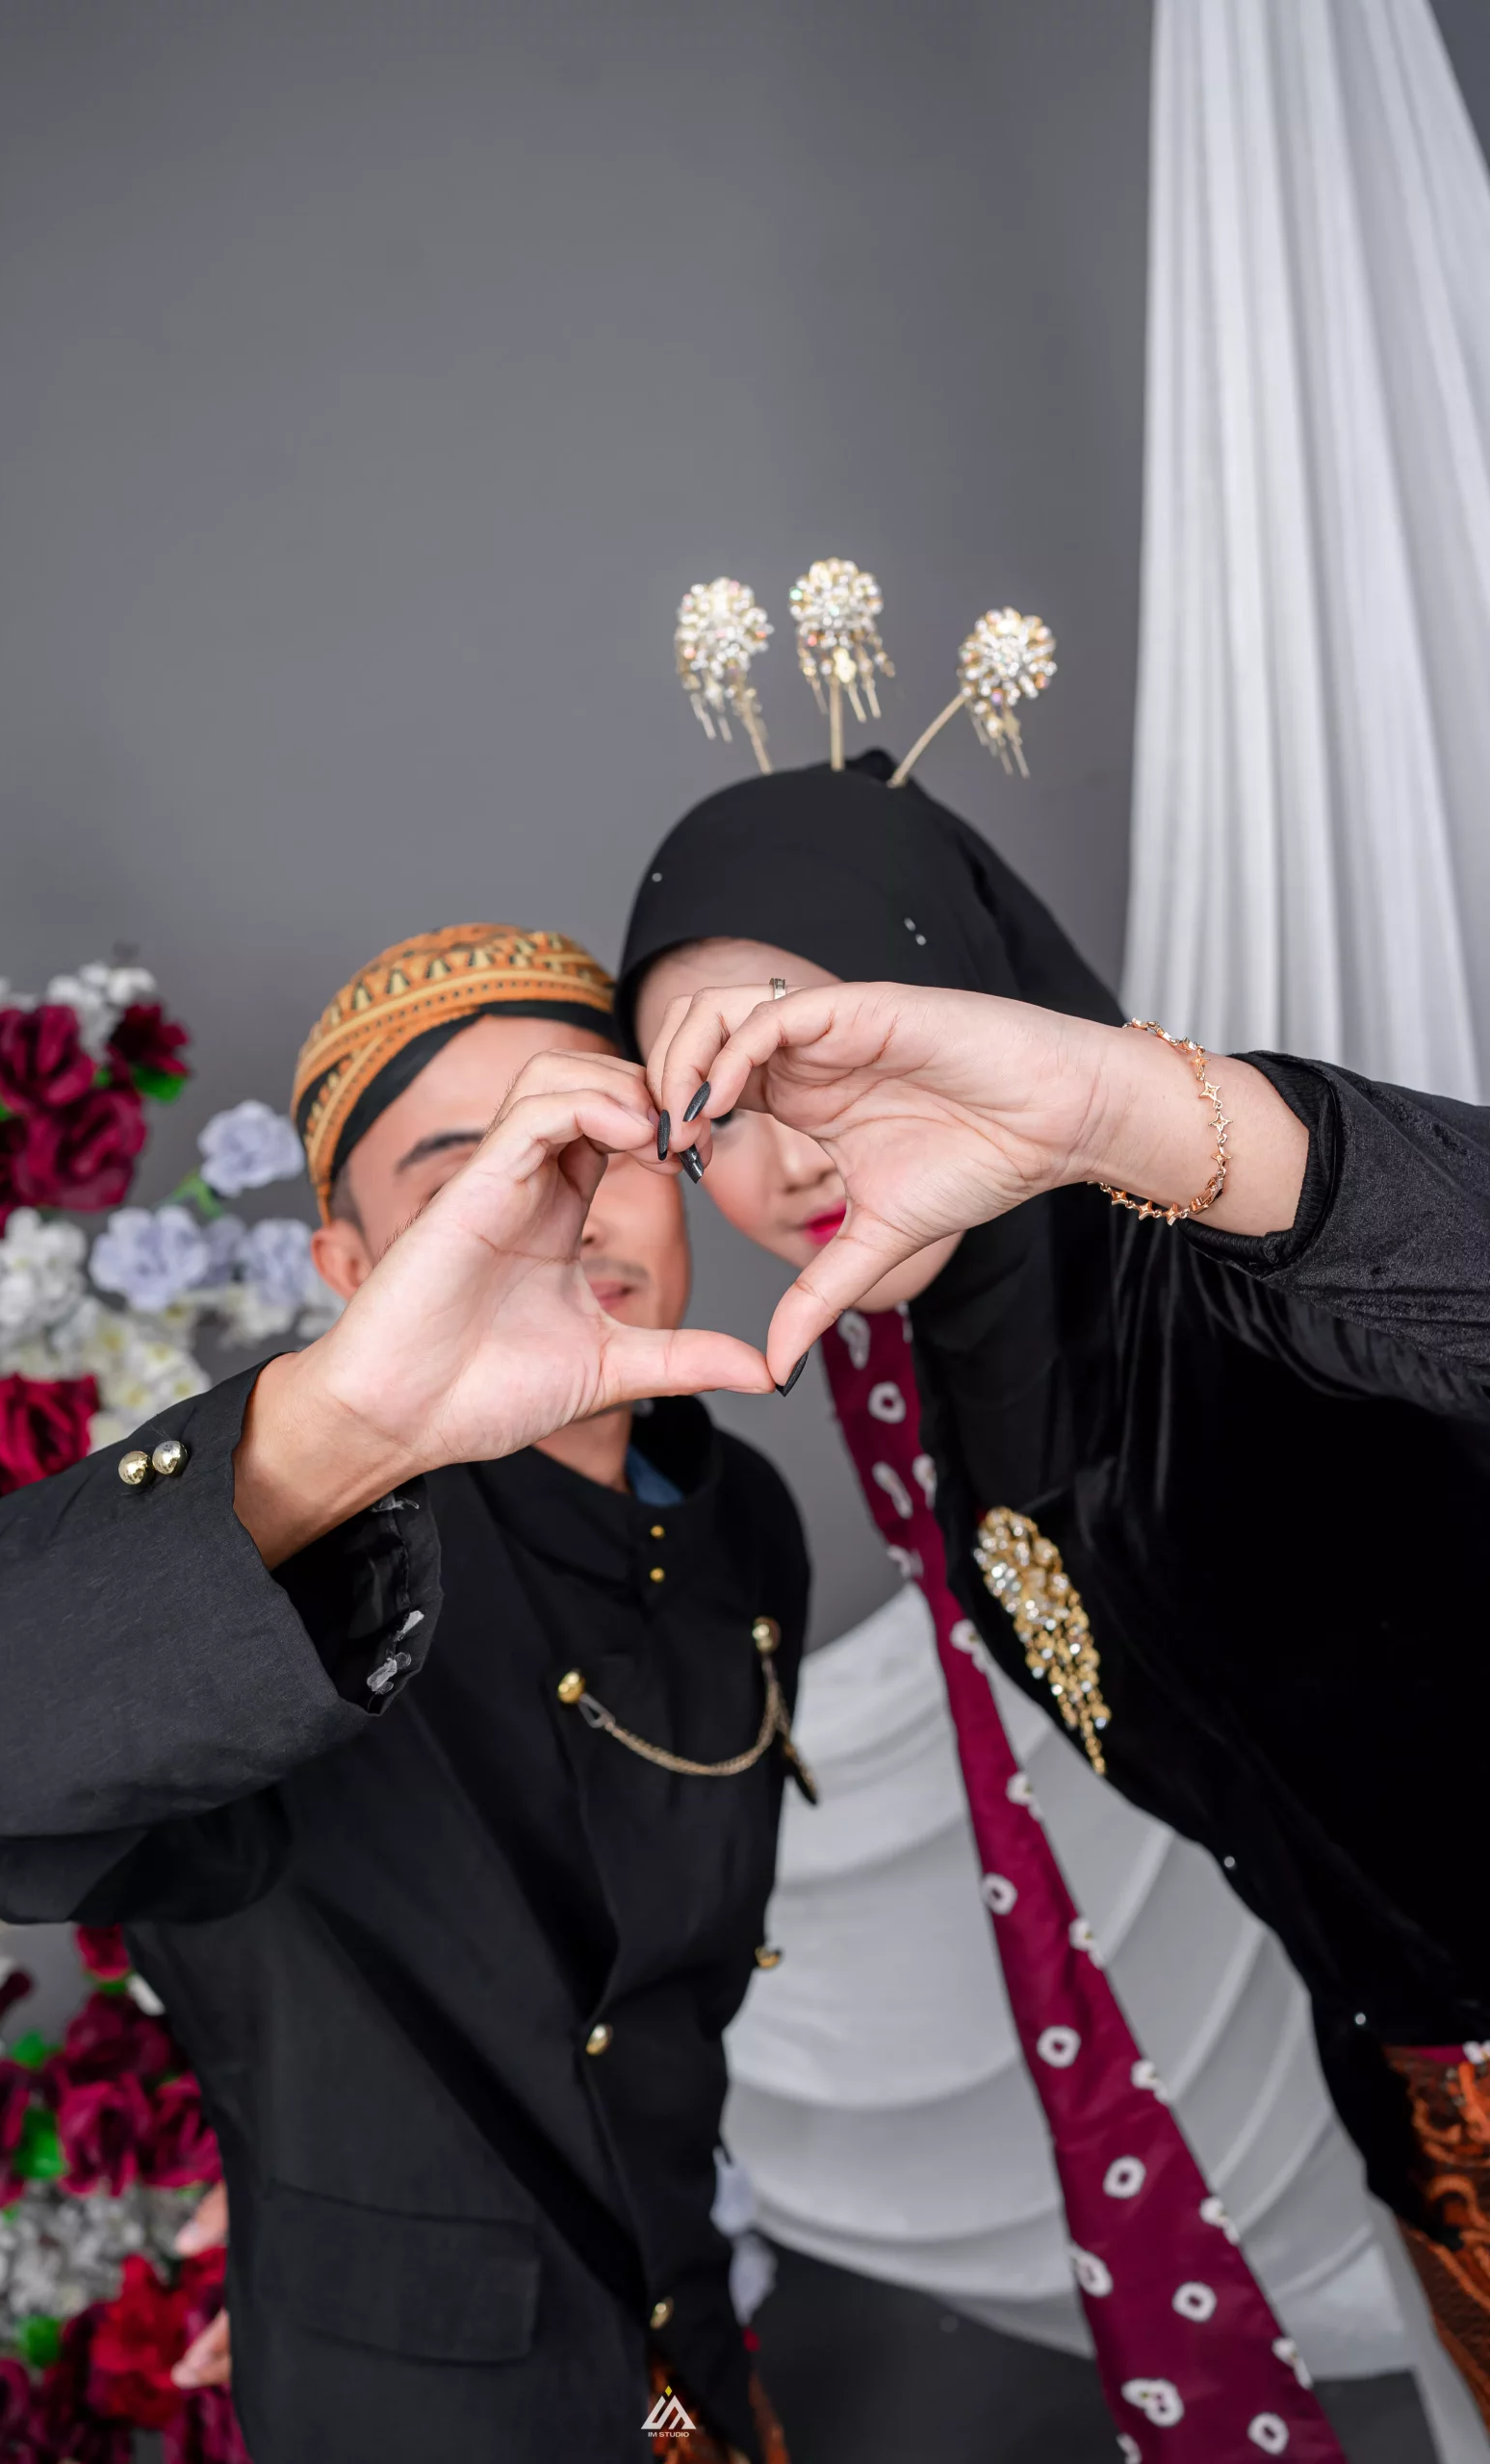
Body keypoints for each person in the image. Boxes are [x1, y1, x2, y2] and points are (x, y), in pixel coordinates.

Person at [0, 921, 809, 2464]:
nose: (556, 1203)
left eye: (596, 1137)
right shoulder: (304, 1557)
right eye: (464, 1170)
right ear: (354, 1270)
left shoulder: (738, 1517)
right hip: (417, 2404)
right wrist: (338, 1432)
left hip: (684, 2334)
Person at [619, 753, 1490, 2430]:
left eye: (811, 1053)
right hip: (1428, 2152)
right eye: (716, 1111)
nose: (781, 1158)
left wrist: (1129, 1115)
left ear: (948, 982)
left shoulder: (1216, 1248)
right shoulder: (947, 1406)